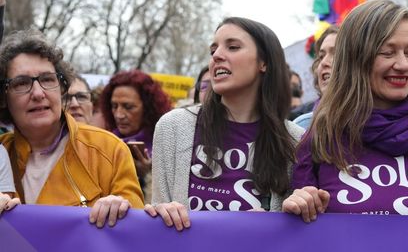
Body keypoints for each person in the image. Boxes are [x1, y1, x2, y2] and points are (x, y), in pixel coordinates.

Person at [282, 0, 408, 222]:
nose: (403, 65)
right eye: (387, 52)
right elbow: (307, 233)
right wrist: (296, 208)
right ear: (355, 59)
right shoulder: (321, 137)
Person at [145, 17, 304, 231]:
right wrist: (161, 211)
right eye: (213, 50)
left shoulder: (295, 140)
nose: (217, 56)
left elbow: (293, 232)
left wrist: (275, 220)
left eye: (233, 47)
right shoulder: (173, 126)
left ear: (263, 62)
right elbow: (158, 215)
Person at [0, 29, 144, 227]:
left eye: (47, 79)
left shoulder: (109, 150)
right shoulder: (1, 153)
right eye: (21, 83)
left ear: (62, 87)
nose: (38, 93)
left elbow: (136, 234)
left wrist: (123, 211)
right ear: (3, 97)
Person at [100, 69, 172, 202]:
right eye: (114, 106)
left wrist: (150, 174)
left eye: (128, 107)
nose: (119, 114)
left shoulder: (167, 144)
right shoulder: (103, 143)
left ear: (148, 108)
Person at [293, 25, 339, 129]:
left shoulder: (382, 117)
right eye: (321, 56)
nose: (323, 63)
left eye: (335, 53)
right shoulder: (302, 128)